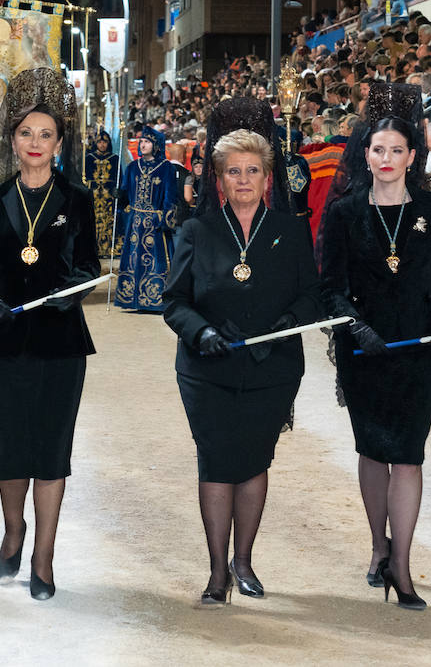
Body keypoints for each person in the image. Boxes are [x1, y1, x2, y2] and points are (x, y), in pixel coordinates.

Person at [163, 99, 322, 605]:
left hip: (270, 367)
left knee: (253, 462)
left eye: (253, 170)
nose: (245, 179)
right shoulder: (196, 230)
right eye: (234, 171)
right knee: (214, 461)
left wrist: (288, 323)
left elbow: (310, 295)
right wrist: (200, 333)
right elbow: (175, 301)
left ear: (267, 176)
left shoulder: (291, 231)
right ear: (219, 179)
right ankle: (216, 572)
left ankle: (244, 561)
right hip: (206, 367)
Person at [317, 83, 431, 612]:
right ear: (366, 154)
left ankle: (402, 563)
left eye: (397, 150)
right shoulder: (344, 212)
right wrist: (356, 329)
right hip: (364, 348)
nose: (387, 158)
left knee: (409, 454)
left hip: (419, 350)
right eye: (378, 150)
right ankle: (378, 545)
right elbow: (329, 287)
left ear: (412, 156)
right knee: (374, 449)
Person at [0, 67, 99, 601]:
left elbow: (89, 265)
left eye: (46, 134)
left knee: (52, 449)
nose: (36, 143)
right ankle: (14, 529)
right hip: (3, 341)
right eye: (26, 133)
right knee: (12, 445)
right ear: (12, 141)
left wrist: (73, 292)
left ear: (60, 142)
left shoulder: (79, 199)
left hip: (62, 344)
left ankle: (43, 554)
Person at [115, 125, 180, 311]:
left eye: (147, 142)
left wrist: (165, 219)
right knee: (133, 259)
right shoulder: (133, 166)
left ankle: (153, 300)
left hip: (154, 221)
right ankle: (132, 300)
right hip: (135, 222)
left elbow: (170, 197)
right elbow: (126, 193)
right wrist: (119, 196)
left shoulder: (166, 168)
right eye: (141, 141)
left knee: (154, 260)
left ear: (156, 144)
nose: (142, 145)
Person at [84, 130, 120, 259]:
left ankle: (107, 248)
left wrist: (117, 190)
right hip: (93, 196)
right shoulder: (88, 158)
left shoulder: (115, 158)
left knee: (108, 221)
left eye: (105, 142)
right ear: (96, 143)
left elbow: (118, 177)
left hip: (108, 197)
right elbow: (84, 178)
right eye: (99, 142)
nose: (102, 145)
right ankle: (92, 248)